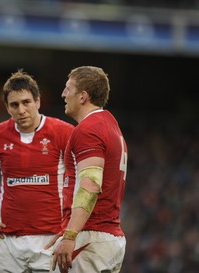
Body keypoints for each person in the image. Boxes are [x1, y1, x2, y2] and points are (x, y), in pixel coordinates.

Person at [0, 69, 74, 273]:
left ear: (38, 102)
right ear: (7, 107)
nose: (21, 110)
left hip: (51, 240)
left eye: (26, 102)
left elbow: (84, 176)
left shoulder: (63, 132)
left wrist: (72, 230)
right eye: (14, 105)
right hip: (7, 241)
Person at [51, 66, 128, 273]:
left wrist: (70, 235)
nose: (63, 94)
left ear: (83, 96)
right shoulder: (111, 125)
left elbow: (91, 184)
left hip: (90, 237)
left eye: (68, 89)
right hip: (107, 238)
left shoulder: (88, 130)